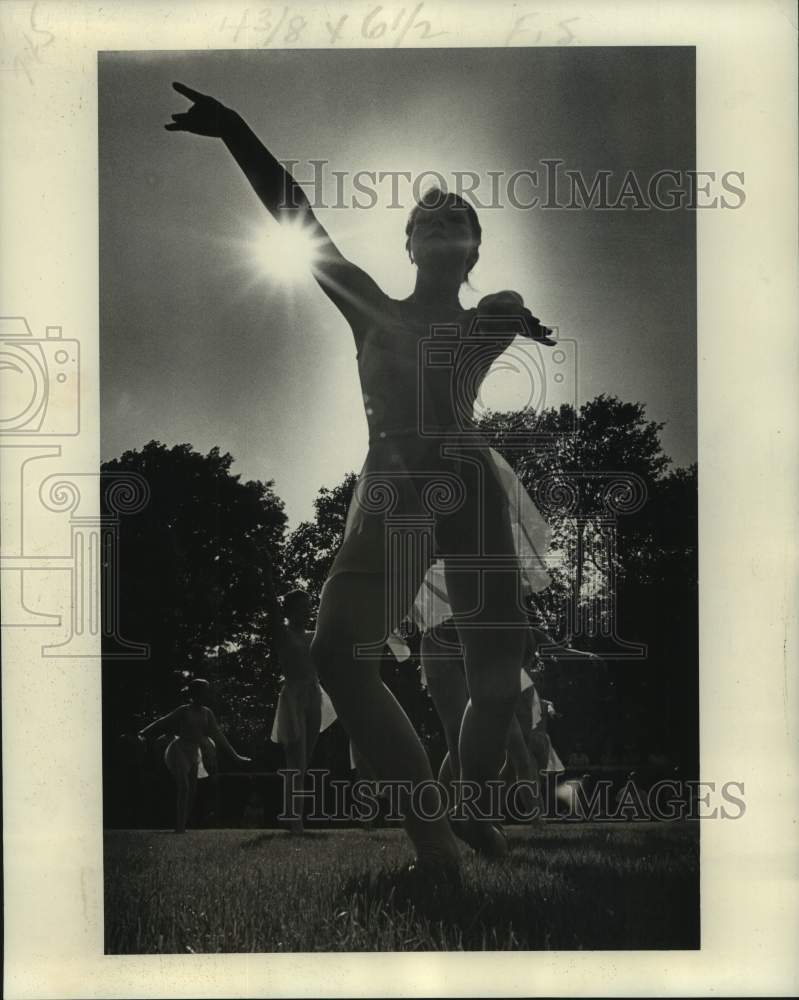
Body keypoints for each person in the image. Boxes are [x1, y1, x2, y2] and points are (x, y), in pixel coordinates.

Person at [166, 83, 556, 876]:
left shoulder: (488, 313)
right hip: (396, 479)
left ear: (473, 249)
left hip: (468, 477)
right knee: (341, 655)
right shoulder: (371, 307)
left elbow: (506, 312)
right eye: (428, 221)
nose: (443, 227)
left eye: (459, 222)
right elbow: (298, 218)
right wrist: (235, 128)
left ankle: (466, 804)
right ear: (408, 246)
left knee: (495, 671)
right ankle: (435, 845)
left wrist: (515, 312)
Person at [264, 559, 335, 833]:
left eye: (309, 606)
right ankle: (294, 820)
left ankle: (292, 815)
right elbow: (271, 607)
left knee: (303, 761)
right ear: (291, 609)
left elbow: (335, 628)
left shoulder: (313, 635)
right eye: (302, 606)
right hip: (293, 696)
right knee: (295, 759)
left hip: (314, 694)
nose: (307, 610)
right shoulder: (283, 634)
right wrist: (267, 577)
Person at [138, 677, 251, 833]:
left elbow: (219, 736)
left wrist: (236, 756)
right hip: (178, 750)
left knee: (192, 791)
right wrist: (143, 732)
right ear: (196, 693)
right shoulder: (184, 710)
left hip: (193, 752)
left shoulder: (207, 713)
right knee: (184, 787)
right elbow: (163, 721)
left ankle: (182, 824)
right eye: (205, 691)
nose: (208, 694)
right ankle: (179, 827)